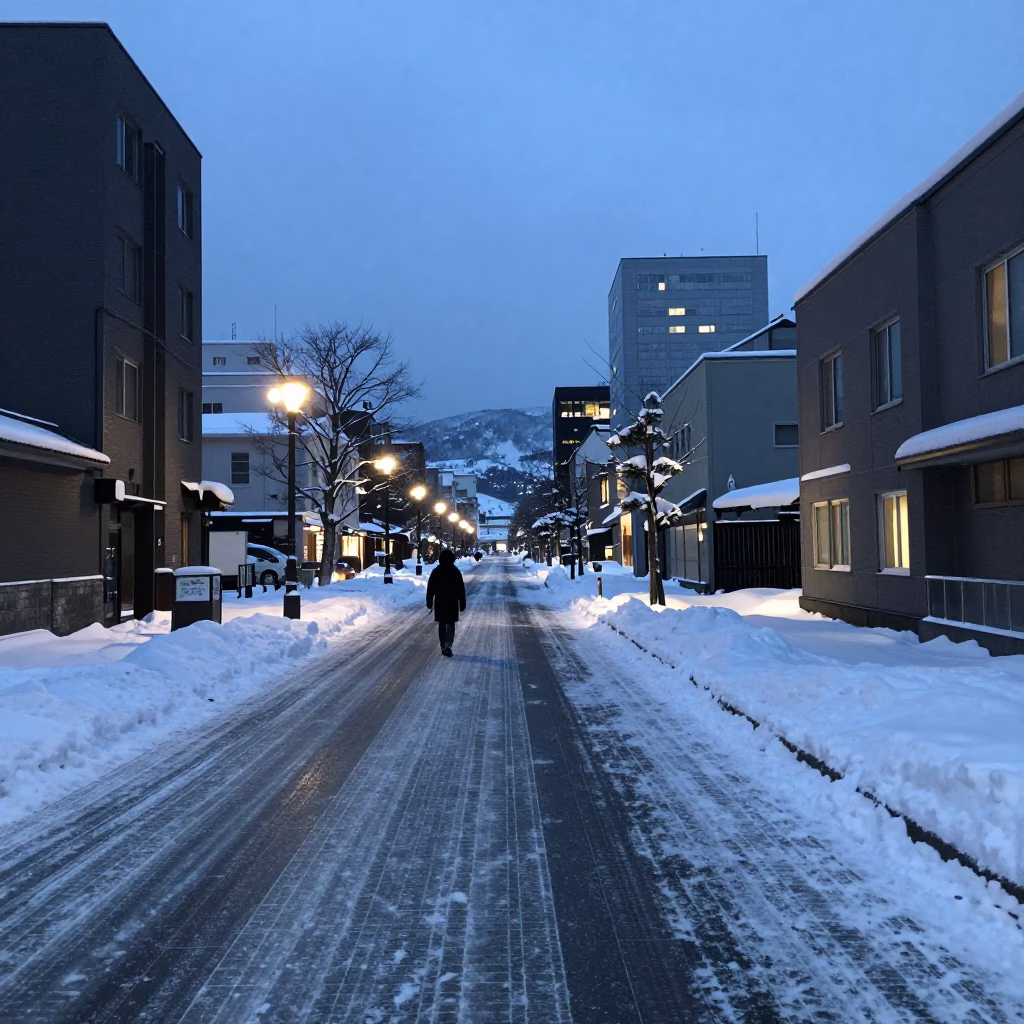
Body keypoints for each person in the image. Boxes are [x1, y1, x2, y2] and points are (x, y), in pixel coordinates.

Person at [426, 548, 466, 657]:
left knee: (442, 623)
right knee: (451, 624)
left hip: (440, 601)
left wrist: (429, 602)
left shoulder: (436, 571)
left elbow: (431, 588)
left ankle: (443, 644)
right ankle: (448, 644)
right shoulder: (455, 571)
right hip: (452, 602)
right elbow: (461, 589)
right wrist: (462, 603)